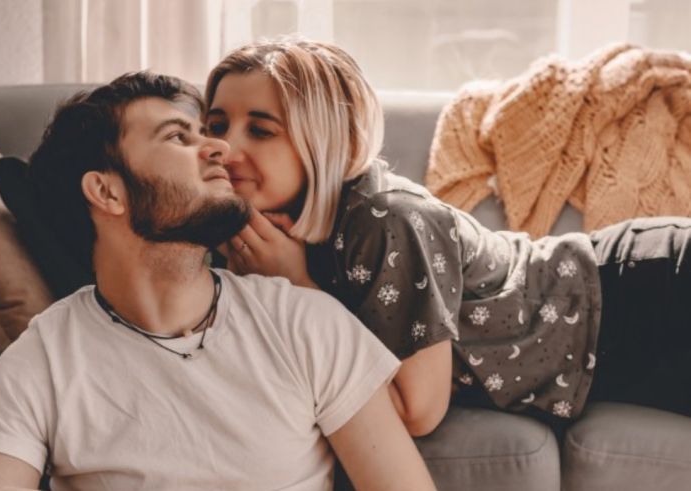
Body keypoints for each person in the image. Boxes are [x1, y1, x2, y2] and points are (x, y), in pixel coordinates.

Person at [0, 71, 437, 491]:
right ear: (106, 190)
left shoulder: (306, 323)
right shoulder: (43, 358)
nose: (219, 148)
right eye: (177, 138)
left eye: (204, 133)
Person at [205, 39, 691, 436]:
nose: (226, 147)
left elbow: (417, 411)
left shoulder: (386, 220)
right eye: (217, 125)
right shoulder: (243, 233)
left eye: (262, 130)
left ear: (325, 140)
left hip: (643, 298)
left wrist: (299, 285)